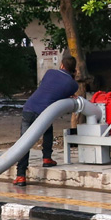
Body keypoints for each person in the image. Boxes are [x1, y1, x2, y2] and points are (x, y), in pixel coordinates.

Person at [14, 55, 79, 186]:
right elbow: (62, 93)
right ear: (74, 70)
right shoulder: (73, 84)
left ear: (61, 65)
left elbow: (48, 88)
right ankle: (47, 158)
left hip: (29, 107)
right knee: (47, 130)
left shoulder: (50, 73)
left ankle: (21, 176)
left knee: (24, 142)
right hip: (45, 113)